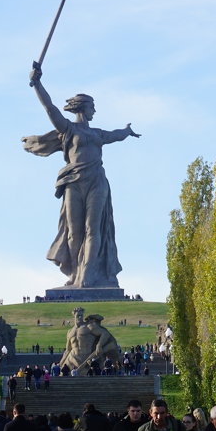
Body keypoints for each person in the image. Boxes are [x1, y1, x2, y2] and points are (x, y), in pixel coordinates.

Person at [24, 62, 139, 289]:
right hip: (73, 183)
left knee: (93, 229)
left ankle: (88, 274)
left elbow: (116, 135)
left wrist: (126, 131)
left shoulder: (97, 133)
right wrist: (37, 83)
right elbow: (50, 108)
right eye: (92, 107)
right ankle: (75, 273)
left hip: (96, 181)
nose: (95, 111)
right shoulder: (68, 129)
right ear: (83, 108)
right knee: (74, 231)